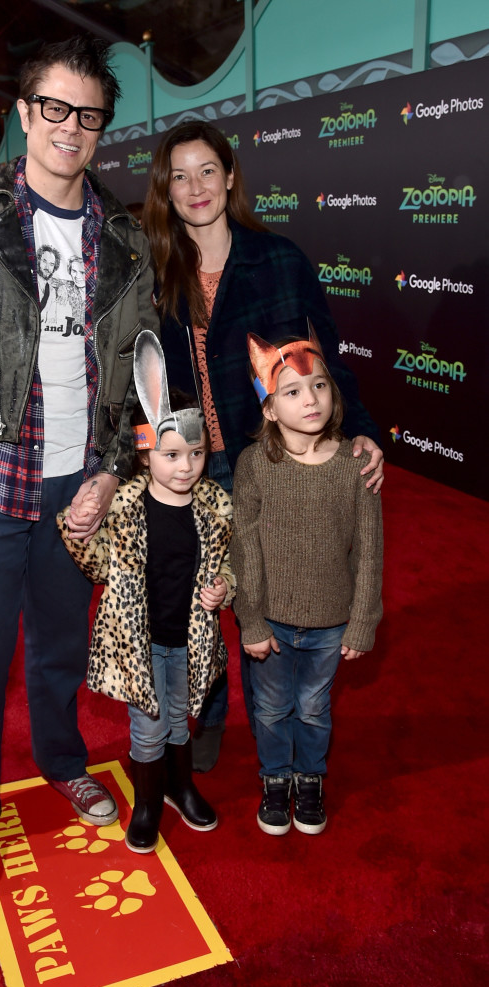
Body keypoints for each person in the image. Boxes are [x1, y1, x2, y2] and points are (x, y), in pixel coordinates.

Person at [0, 36, 158, 885]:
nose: (71, 130)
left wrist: (116, 470)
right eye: (55, 109)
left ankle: (62, 760)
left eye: (89, 115)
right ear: (22, 112)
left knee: (57, 649)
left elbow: (139, 364)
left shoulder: (122, 235)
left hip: (79, 484)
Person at [143, 120, 384, 772]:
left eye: (207, 171)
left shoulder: (279, 259)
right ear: (165, 189)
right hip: (186, 468)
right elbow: (139, 379)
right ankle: (209, 716)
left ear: (229, 177)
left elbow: (328, 355)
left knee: (263, 601)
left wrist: (360, 426)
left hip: (266, 464)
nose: (195, 187)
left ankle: (273, 748)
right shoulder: (154, 273)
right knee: (198, 599)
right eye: (180, 176)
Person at [58, 331, 234, 853]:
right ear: (144, 450)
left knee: (180, 717)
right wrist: (75, 527)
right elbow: (97, 566)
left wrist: (224, 588)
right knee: (148, 727)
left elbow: (229, 564)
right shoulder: (126, 505)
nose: (186, 467)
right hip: (139, 641)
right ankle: (150, 801)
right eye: (173, 454)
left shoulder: (216, 505)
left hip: (189, 637)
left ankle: (181, 786)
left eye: (196, 454)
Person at [231, 328, 383, 835]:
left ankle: (310, 778)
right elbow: (245, 547)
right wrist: (250, 619)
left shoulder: (354, 465)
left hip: (331, 623)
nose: (310, 399)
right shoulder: (255, 465)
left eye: (318, 385)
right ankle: (275, 779)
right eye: (292, 391)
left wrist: (362, 622)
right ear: (270, 409)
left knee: (315, 709)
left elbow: (369, 550)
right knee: (272, 709)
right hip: (270, 622)